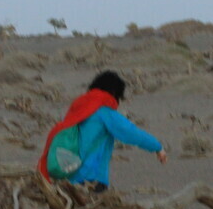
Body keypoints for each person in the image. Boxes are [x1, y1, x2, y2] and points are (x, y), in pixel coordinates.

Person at [38, 70, 167, 191]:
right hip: (91, 177)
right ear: (115, 93)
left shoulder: (80, 107)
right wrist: (157, 147)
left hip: (69, 175)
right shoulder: (104, 113)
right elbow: (130, 133)